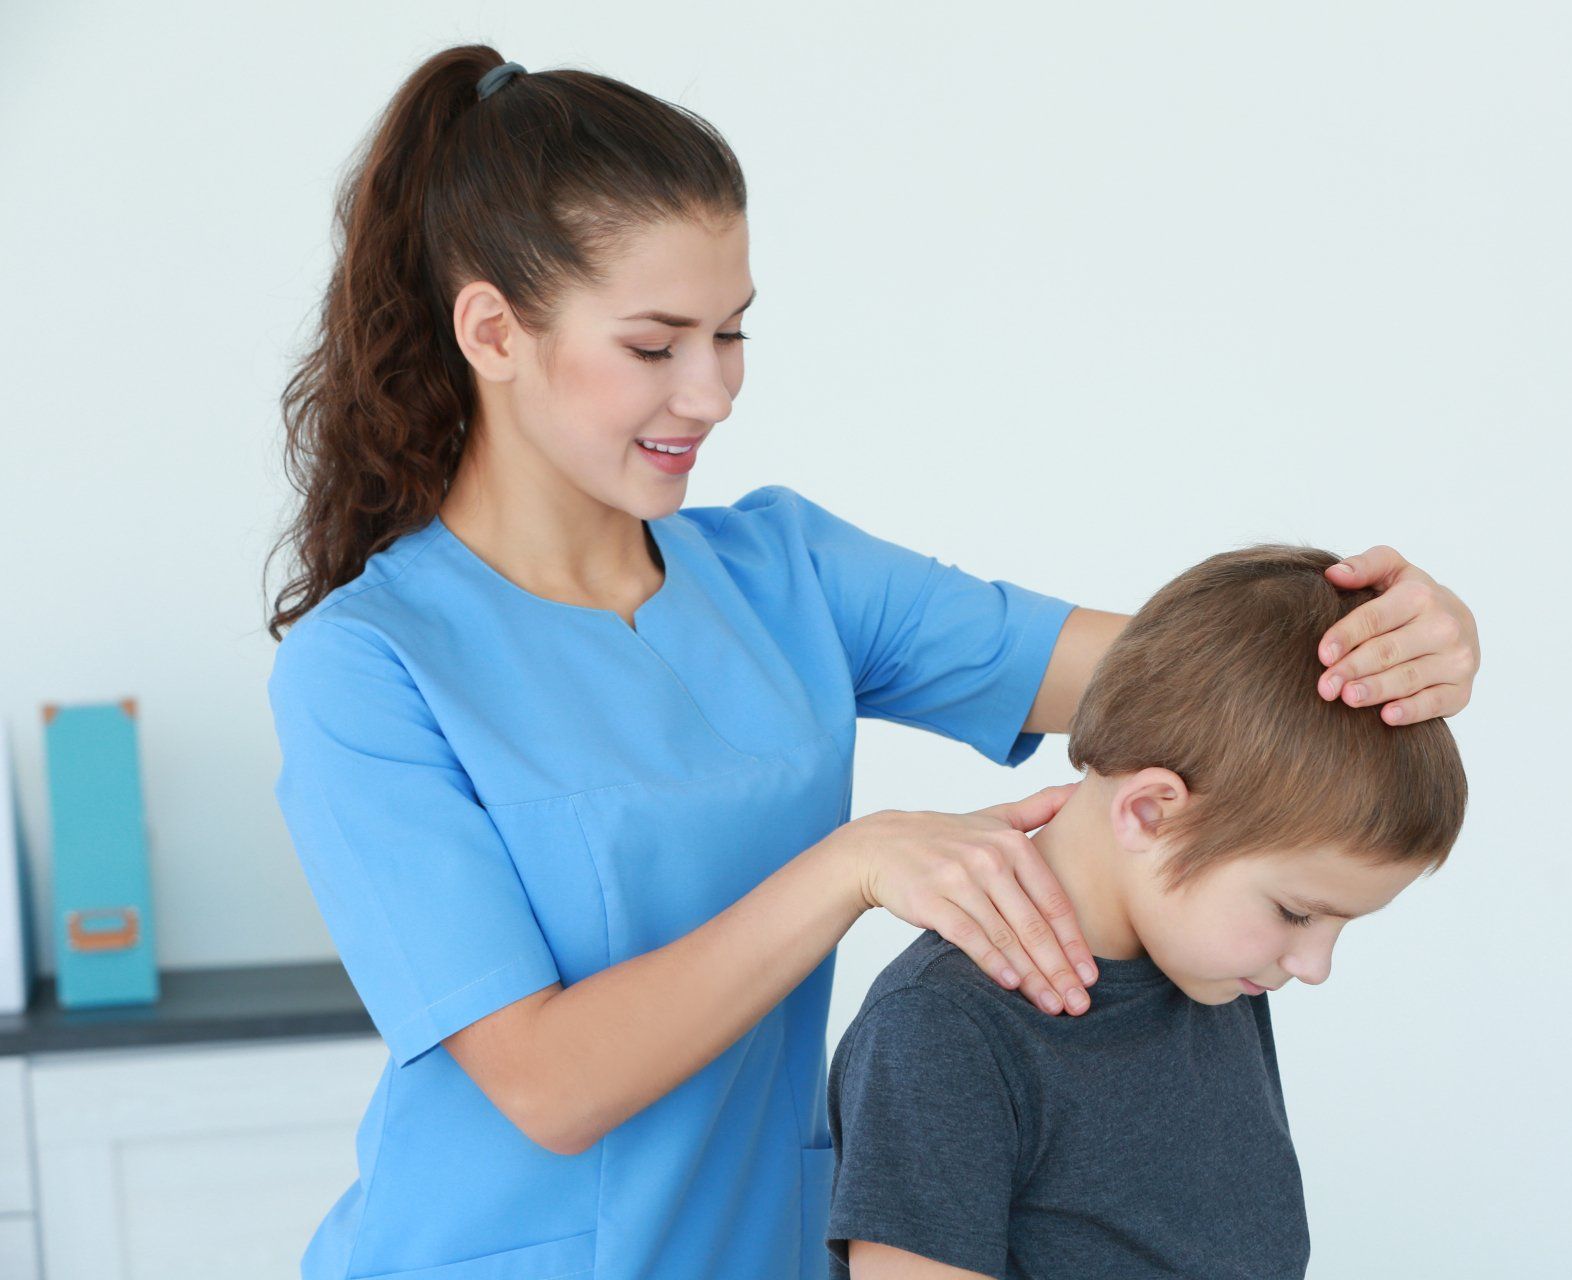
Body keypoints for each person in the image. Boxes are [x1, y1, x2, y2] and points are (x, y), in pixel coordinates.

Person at [262, 44, 1482, 1280]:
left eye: (732, 331)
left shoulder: (788, 574)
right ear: (493, 330)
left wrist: (1383, 643)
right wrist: (852, 865)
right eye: (656, 343)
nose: (714, 389)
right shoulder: (368, 670)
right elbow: (545, 1082)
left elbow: (1190, 689)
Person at [824, 544, 1469, 1280]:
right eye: (1297, 914)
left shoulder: (1208, 969)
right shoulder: (941, 1032)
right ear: (1152, 814)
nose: (1315, 967)